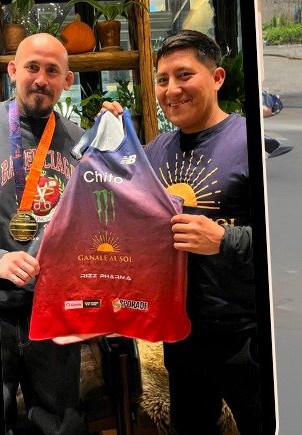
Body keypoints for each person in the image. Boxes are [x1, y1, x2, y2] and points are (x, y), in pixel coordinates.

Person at [103, 29, 260, 435]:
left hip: (247, 334)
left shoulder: (254, 141)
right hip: (181, 333)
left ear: (218, 78)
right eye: (162, 80)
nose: (172, 89)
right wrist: (114, 148)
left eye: (184, 75)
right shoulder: (155, 151)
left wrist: (225, 240)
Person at [0, 34, 86, 435]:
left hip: (55, 307)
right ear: (13, 70)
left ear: (67, 80)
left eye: (52, 71)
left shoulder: (82, 141)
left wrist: (117, 141)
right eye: (32, 67)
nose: (41, 79)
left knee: (59, 422)